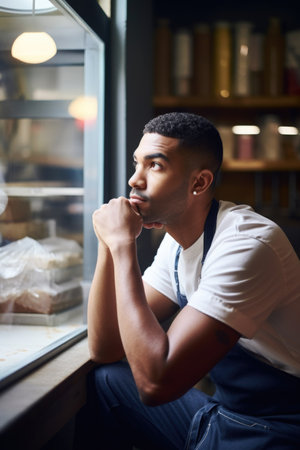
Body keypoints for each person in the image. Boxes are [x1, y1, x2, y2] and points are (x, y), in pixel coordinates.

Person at [87, 112, 300, 449]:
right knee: (108, 379)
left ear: (199, 183)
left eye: (155, 166)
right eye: (136, 163)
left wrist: (123, 246)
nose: (134, 180)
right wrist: (107, 245)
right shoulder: (178, 240)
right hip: (224, 414)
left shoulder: (247, 245)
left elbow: (156, 386)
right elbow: (105, 347)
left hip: (277, 427)